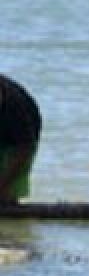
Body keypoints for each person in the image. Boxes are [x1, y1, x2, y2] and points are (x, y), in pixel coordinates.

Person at [0, 74, 42, 205]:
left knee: (6, 197)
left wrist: (3, 185)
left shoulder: (16, 108)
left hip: (19, 141)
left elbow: (24, 149)